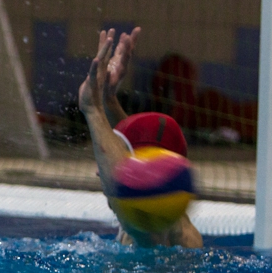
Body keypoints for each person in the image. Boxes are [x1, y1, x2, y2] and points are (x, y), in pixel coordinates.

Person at [78, 27, 202, 248]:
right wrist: (107, 97)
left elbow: (123, 187)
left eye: (123, 164)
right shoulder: (163, 212)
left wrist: (93, 109)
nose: (101, 171)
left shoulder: (154, 234)